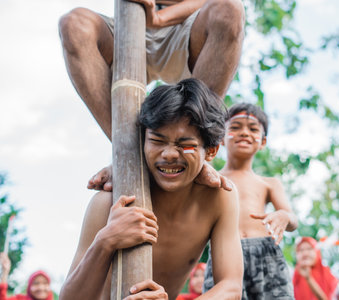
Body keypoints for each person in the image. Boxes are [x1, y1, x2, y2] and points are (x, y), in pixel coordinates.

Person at [59, 78, 243, 300]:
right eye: (157, 140)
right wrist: (106, 241)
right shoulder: (109, 203)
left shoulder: (219, 198)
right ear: (143, 141)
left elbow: (231, 286)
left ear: (211, 151)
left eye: (185, 145)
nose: (169, 154)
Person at [58, 0, 245, 140]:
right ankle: (127, 146)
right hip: (124, 28)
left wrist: (159, 18)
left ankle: (194, 139)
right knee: (74, 23)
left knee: (229, 9)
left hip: (183, 27)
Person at [203, 103, 298, 299]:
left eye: (253, 129)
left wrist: (283, 216)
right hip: (224, 256)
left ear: (262, 141)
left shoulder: (269, 183)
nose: (244, 133)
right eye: (235, 127)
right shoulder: (211, 179)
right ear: (221, 138)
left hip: (267, 255)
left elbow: (293, 221)